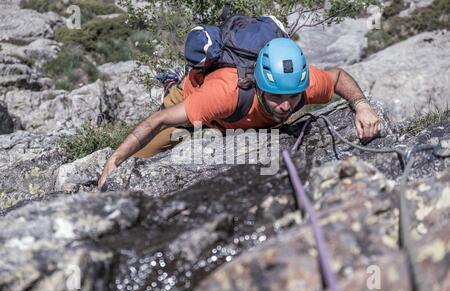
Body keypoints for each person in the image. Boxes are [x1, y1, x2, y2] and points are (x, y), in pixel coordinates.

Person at [98, 38, 381, 191]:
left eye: (291, 98)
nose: (285, 106)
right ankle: (174, 81)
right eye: (276, 97)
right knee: (144, 157)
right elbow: (157, 121)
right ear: (258, 85)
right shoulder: (223, 94)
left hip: (231, 119)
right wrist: (116, 158)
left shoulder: (300, 85)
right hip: (195, 95)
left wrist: (361, 104)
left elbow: (339, 77)